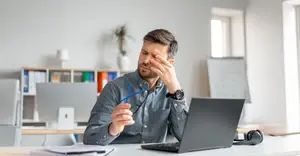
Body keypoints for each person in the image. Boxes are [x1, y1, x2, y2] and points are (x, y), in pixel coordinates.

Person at [83, 29, 188, 146]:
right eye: (144, 52)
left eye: (155, 57)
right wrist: (113, 128)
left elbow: (186, 137)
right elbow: (89, 138)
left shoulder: (173, 93)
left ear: (169, 63)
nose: (146, 60)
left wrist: (176, 90)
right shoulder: (114, 88)